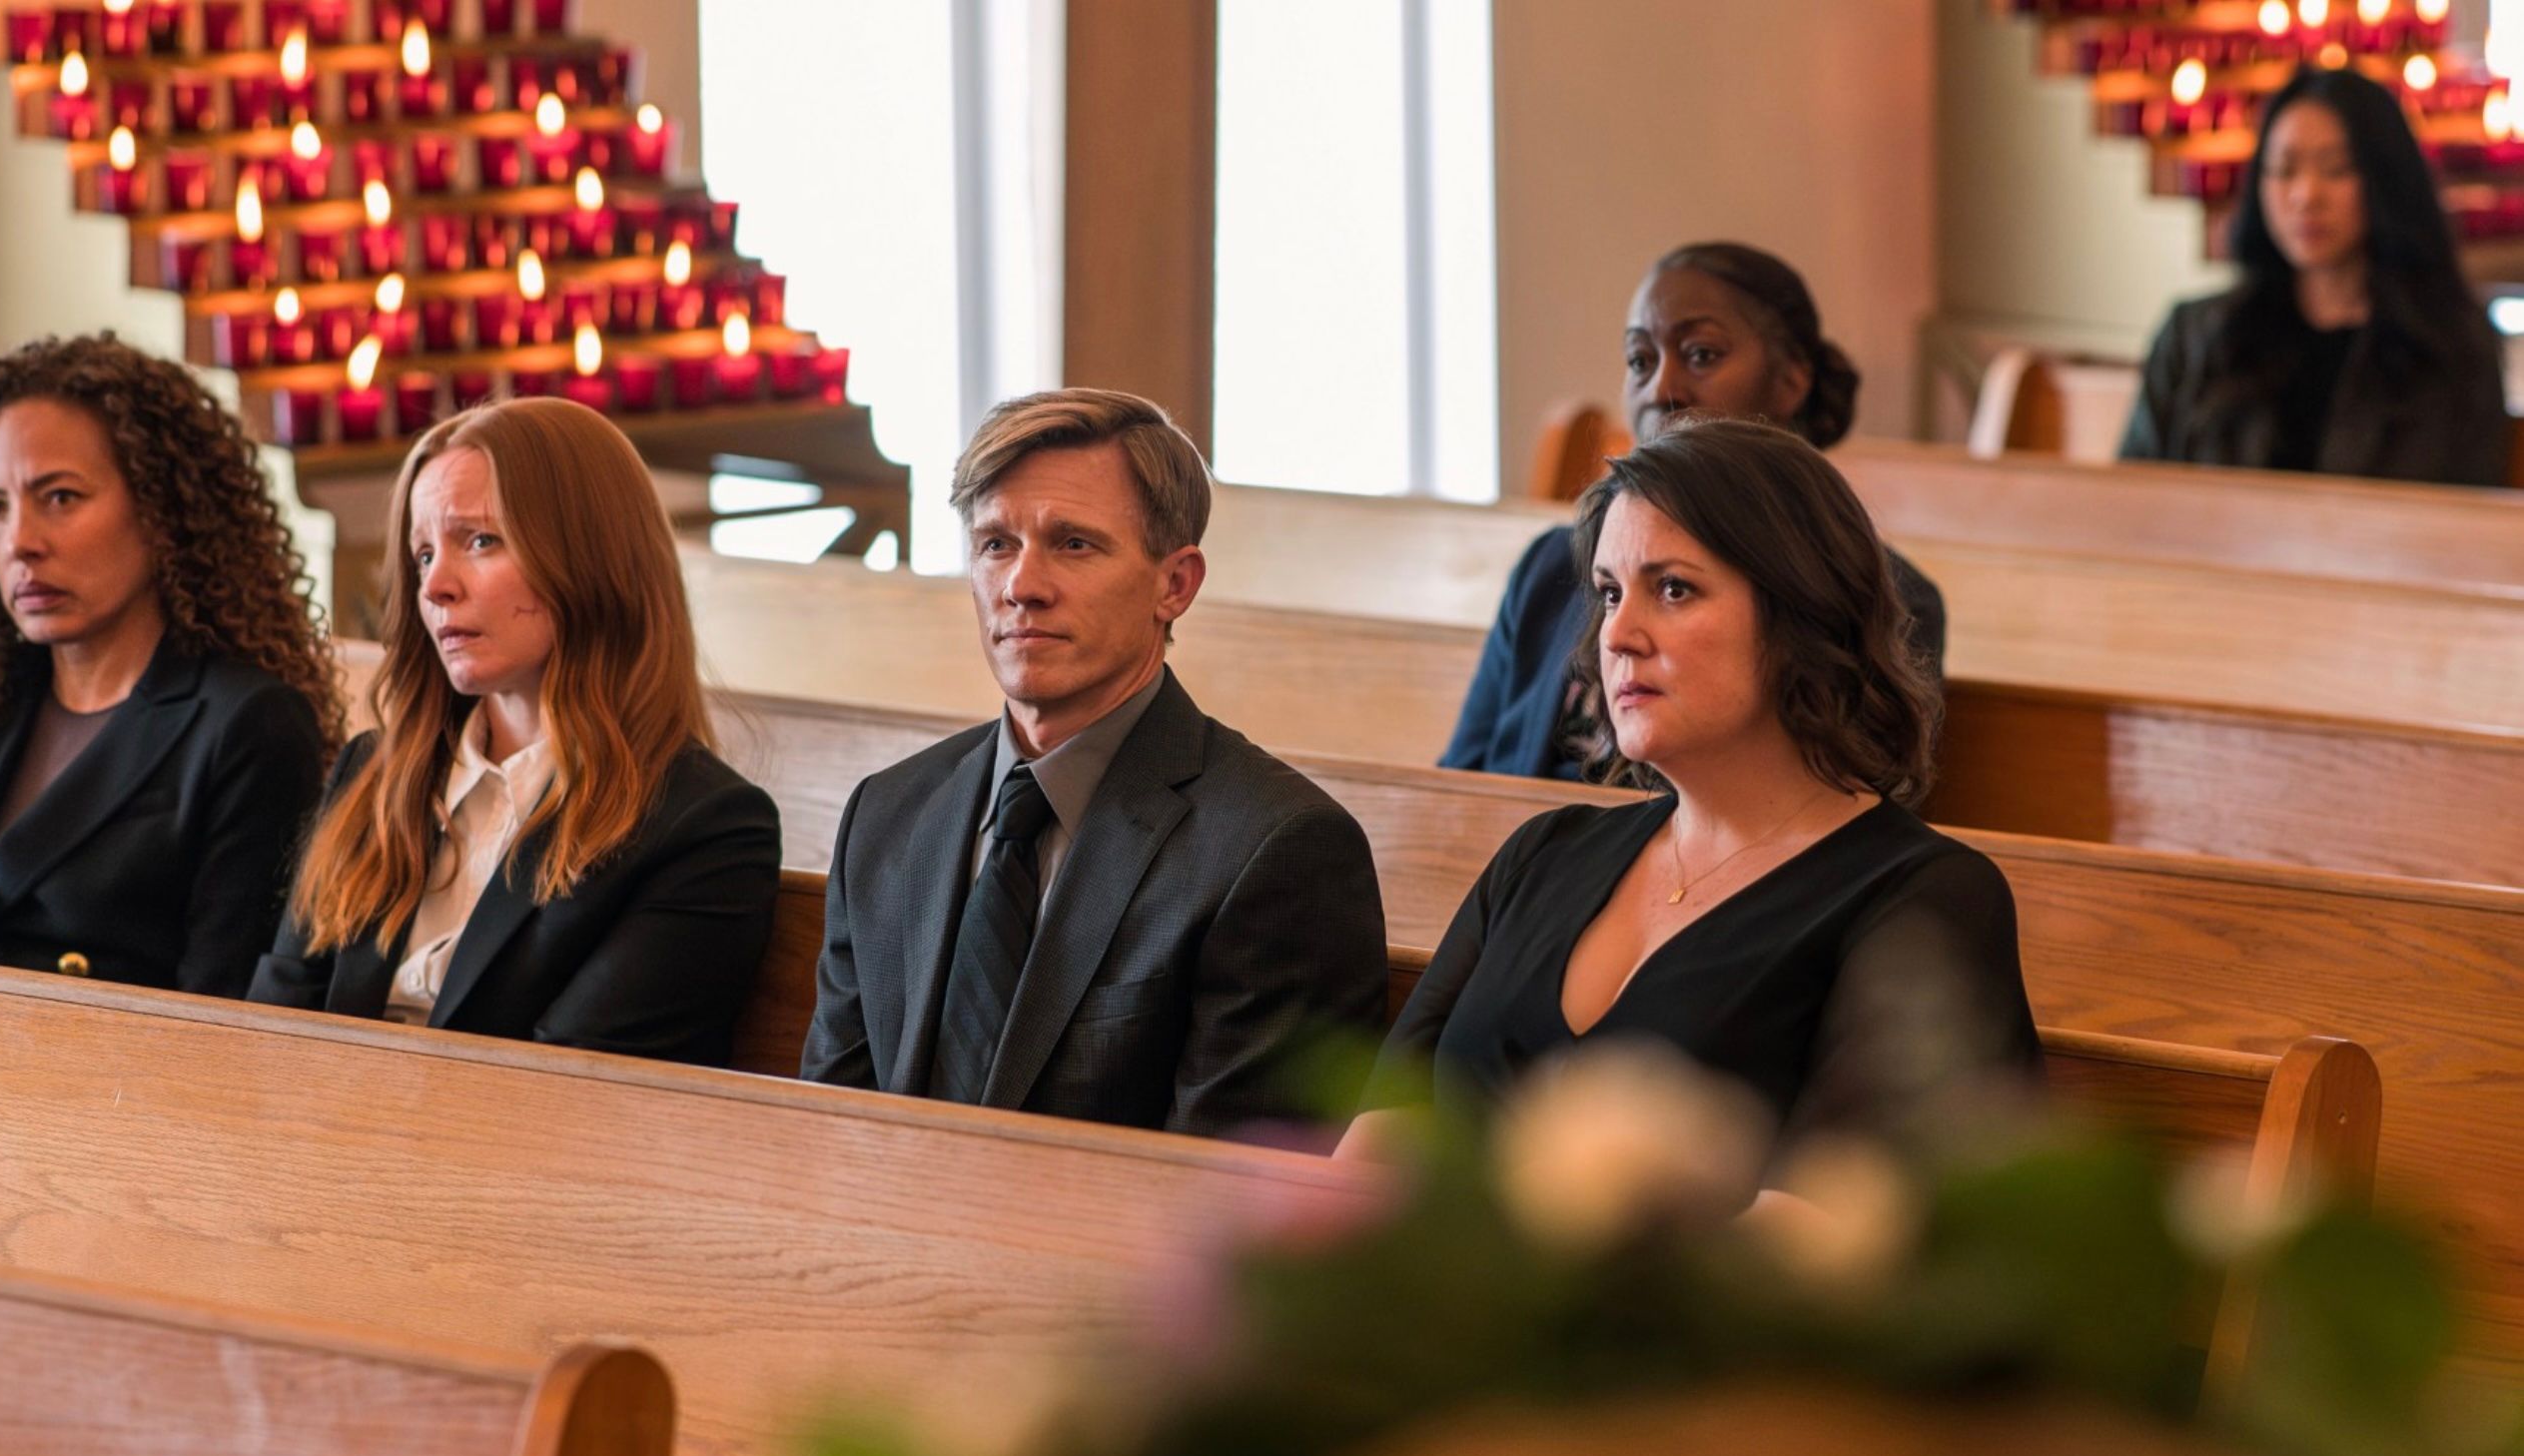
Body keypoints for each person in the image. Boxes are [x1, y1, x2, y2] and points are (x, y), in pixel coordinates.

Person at [1362, 419, 2039, 1154]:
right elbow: (1373, 1145)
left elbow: (1833, 1229)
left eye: (1675, 589)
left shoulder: (1925, 902)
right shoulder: (1540, 857)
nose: (1617, 635)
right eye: (1609, 592)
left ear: (1800, 613)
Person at [801, 387, 1386, 1136]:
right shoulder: (889, 814)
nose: (1022, 587)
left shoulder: (1279, 850)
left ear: (1174, 585)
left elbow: (1229, 1218)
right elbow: (827, 1134)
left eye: (1074, 544)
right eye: (995, 544)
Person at [251, 399, 779, 1065]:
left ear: (591, 556)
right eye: (421, 555)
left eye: (480, 540)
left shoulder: (702, 826)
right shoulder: (372, 774)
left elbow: (567, 1099)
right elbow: (270, 1037)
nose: (436, 586)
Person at [0, 334, 340, 996]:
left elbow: (224, 1017)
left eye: (59, 497)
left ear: (160, 508)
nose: (21, 542)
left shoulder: (247, 725)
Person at [1443, 243, 1947, 781]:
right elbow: (1459, 785)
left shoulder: (1866, 587)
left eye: (1701, 355)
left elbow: (1847, 814)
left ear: (1791, 381)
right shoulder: (1550, 565)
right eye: (1641, 360)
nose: (1662, 389)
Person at [2120, 68, 2507, 485]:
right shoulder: (2195, 336)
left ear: (2384, 179)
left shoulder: (2453, 344)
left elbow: (2469, 519)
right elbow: (2134, 499)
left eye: (2336, 169)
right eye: (2284, 170)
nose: (2307, 195)